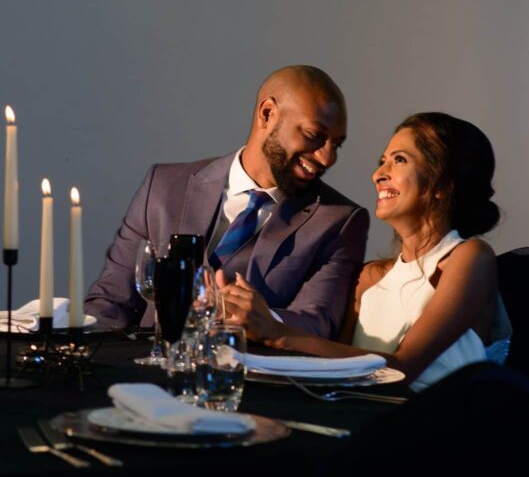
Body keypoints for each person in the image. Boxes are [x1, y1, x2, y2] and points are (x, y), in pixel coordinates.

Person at [219, 112, 511, 390]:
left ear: (442, 186)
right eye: (382, 161)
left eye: (399, 160)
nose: (378, 174)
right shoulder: (370, 278)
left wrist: (279, 333)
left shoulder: (469, 257)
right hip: (361, 420)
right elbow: (336, 367)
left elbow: (401, 370)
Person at [84, 65, 369, 338]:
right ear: (267, 114)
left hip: (243, 381)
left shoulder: (340, 220)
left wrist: (267, 321)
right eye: (314, 136)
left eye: (337, 144)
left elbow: (319, 323)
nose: (327, 158)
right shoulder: (163, 186)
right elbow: (111, 301)